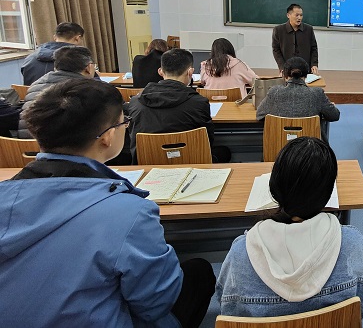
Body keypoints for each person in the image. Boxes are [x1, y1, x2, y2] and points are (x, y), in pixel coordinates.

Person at [0, 78, 215, 327]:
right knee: (198, 272)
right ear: (108, 136)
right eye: (124, 122)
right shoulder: (129, 212)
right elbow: (156, 303)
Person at [217, 137, 363, 317]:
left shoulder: (240, 254)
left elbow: (228, 311)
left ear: (274, 187)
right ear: (327, 193)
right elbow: (361, 307)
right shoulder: (354, 246)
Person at [126, 48, 223, 162]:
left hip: (148, 164)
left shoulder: (135, 103)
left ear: (160, 71)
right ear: (190, 72)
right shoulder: (199, 103)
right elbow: (208, 140)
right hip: (191, 163)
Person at [18, 46, 96, 138]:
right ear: (89, 67)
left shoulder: (36, 84)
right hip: (61, 144)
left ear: (55, 67)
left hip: (24, 143)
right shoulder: (88, 89)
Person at [256, 57, 339, 141]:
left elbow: (259, 115)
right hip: (310, 146)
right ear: (306, 76)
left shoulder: (274, 92)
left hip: (279, 146)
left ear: (284, 75)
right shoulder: (317, 93)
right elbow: (334, 116)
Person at [21, 22, 86, 85]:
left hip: (33, 92)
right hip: (62, 92)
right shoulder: (79, 59)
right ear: (77, 38)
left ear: (55, 37)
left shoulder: (30, 58)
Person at [272, 3, 319, 75]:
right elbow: (276, 50)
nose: (299, 18)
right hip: (287, 70)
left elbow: (314, 48)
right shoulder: (279, 30)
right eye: (297, 15)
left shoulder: (308, 29)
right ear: (288, 15)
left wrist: (314, 64)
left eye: (301, 15)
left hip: (305, 70)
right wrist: (282, 67)